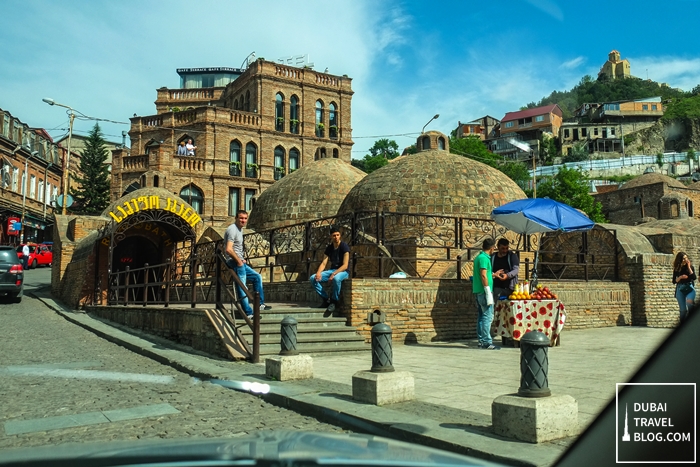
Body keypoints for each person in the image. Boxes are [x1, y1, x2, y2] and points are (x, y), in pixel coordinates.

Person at [223, 210, 271, 316]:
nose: (243, 220)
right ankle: (248, 312)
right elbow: (228, 249)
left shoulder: (240, 230)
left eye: (245, 218)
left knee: (257, 277)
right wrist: (239, 261)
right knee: (242, 286)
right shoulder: (232, 230)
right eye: (241, 218)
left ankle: (259, 304)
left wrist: (241, 259)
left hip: (239, 261)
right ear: (236, 218)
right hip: (234, 262)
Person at [310, 227, 350, 317]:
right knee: (313, 278)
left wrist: (334, 274)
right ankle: (326, 299)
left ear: (340, 236)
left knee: (336, 279)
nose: (336, 237)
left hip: (343, 271)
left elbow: (345, 265)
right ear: (330, 237)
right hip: (332, 270)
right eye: (334, 235)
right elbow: (324, 262)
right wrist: (318, 273)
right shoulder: (329, 248)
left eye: (338, 235)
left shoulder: (344, 246)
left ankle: (334, 301)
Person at [473, 238, 500, 350]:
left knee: (481, 316)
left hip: (478, 290)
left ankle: (481, 340)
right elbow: (483, 275)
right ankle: (486, 342)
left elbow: (486, 274)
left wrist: (494, 275)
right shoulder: (484, 258)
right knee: (487, 316)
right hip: (484, 292)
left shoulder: (479, 257)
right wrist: (488, 290)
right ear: (492, 247)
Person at [490, 238, 520, 303]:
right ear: (498, 247)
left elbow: (516, 270)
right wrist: (495, 274)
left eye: (506, 248)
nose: (505, 250)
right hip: (496, 287)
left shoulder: (512, 256)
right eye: (503, 248)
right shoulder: (493, 257)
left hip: (510, 287)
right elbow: (489, 270)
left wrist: (507, 275)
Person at [672, 251, 695, 323]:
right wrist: (680, 277)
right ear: (680, 260)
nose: (686, 260)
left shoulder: (690, 267)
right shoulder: (677, 269)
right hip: (680, 288)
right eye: (684, 259)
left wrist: (688, 267)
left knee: (690, 305)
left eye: (686, 258)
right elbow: (674, 281)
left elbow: (694, 277)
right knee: (683, 310)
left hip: (689, 287)